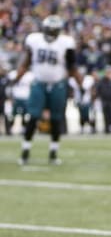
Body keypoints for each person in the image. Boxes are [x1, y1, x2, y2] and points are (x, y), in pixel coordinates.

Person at [15, 15, 82, 165]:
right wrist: (16, 78)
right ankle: (25, 151)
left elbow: (72, 66)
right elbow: (26, 60)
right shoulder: (34, 40)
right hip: (39, 83)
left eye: (54, 31)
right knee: (33, 116)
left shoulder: (66, 43)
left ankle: (53, 152)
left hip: (58, 84)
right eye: (49, 30)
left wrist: (79, 84)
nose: (51, 34)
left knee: (56, 119)